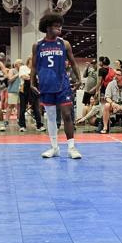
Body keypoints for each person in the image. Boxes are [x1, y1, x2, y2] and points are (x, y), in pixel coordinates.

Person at [29, 13, 82, 159]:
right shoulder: (38, 45)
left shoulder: (64, 44)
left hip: (62, 84)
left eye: (60, 26)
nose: (59, 28)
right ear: (47, 27)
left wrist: (79, 79)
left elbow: (73, 63)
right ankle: (54, 148)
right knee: (51, 117)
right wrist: (32, 82)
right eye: (56, 26)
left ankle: (71, 148)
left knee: (67, 114)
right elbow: (34, 66)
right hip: (46, 85)